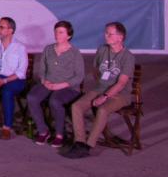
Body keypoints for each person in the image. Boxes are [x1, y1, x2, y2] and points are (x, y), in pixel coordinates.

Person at [62, 22, 135, 159]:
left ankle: (89, 145)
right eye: (105, 32)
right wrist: (101, 86)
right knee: (76, 106)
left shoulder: (128, 57)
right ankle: (79, 142)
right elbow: (96, 70)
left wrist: (104, 96)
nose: (106, 36)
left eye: (110, 33)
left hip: (120, 94)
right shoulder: (102, 50)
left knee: (102, 110)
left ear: (120, 37)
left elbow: (121, 83)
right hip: (100, 88)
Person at [27, 20, 84, 148]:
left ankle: (59, 134)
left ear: (68, 35)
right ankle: (43, 130)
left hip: (68, 87)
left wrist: (61, 85)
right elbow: (42, 69)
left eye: (60, 32)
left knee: (55, 101)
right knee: (32, 97)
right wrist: (44, 81)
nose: (57, 34)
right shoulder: (48, 49)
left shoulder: (75, 53)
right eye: (56, 31)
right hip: (48, 83)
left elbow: (79, 76)